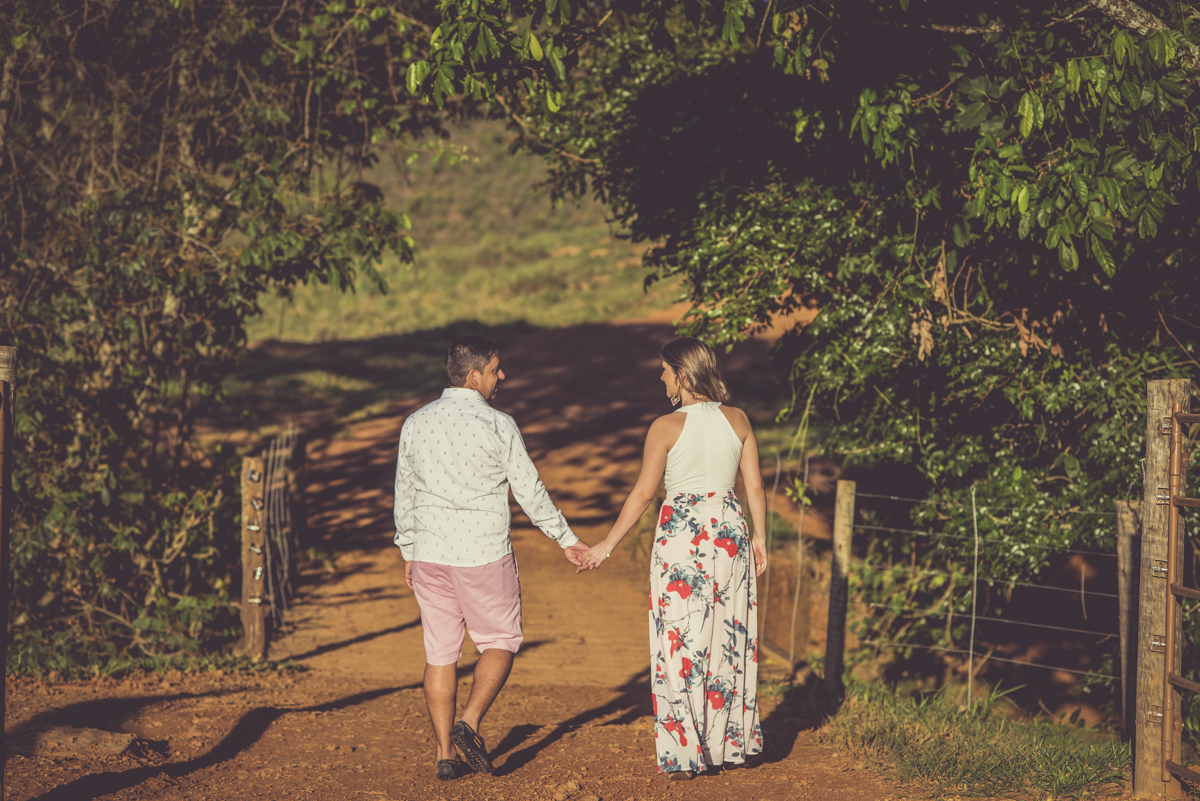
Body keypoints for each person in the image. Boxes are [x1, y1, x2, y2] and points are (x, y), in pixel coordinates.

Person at [394, 335, 590, 781]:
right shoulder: (499, 425)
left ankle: (444, 755)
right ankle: (470, 722)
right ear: (473, 375)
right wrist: (565, 538)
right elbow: (529, 490)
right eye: (497, 369)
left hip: (429, 554)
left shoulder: (415, 423)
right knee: (500, 640)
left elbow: (404, 491)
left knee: (440, 654)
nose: (502, 376)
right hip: (482, 552)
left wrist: (408, 549)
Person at [578, 337, 766, 779]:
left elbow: (644, 493)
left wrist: (607, 544)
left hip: (683, 537)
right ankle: (727, 744)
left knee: (680, 638)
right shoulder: (738, 419)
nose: (661, 377)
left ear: (682, 375)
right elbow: (753, 486)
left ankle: (685, 751)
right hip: (730, 532)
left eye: (665, 370)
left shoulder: (664, 427)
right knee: (727, 633)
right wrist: (760, 536)